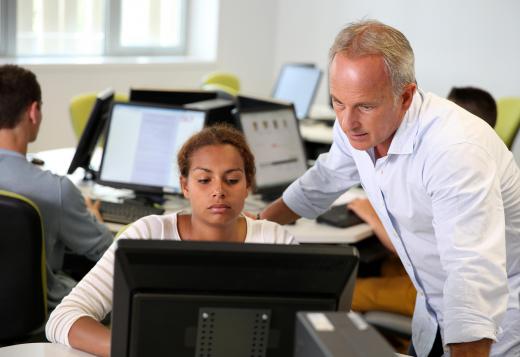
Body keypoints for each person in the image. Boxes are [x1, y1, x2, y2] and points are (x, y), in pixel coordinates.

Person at [260, 20, 520, 356]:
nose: (347, 122)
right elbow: (323, 178)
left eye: (365, 106)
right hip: (432, 303)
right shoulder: (356, 122)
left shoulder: (455, 149)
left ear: (406, 96)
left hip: (497, 317)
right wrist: (257, 227)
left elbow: (471, 272)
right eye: (338, 102)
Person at [46, 124, 295, 357]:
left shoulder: (275, 240)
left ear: (248, 185)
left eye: (231, 180)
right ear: (185, 186)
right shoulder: (148, 235)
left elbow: (316, 325)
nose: (218, 190)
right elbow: (63, 318)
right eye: (204, 180)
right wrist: (134, 350)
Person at [350, 85, 499, 318]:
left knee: (349, 291)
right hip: (432, 274)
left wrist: (370, 214)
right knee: (375, 267)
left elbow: (424, 250)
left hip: (440, 289)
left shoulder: (458, 172)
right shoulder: (483, 160)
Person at [0, 64, 113, 309]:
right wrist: (95, 218)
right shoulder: (56, 190)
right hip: (42, 318)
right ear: (34, 112)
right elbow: (108, 252)